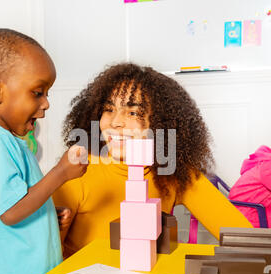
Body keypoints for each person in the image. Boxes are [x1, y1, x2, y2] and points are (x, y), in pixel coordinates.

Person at [52, 62, 253, 258]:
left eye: (133, 112)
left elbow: (241, 236)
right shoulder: (77, 170)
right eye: (109, 109)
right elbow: (46, 256)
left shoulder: (174, 171)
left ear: (159, 123)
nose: (115, 122)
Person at [0, 28, 88, 274]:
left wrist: (44, 214)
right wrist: (60, 173)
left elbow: (15, 199)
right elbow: (10, 211)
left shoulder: (2, 139)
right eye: (37, 92)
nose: (46, 104)